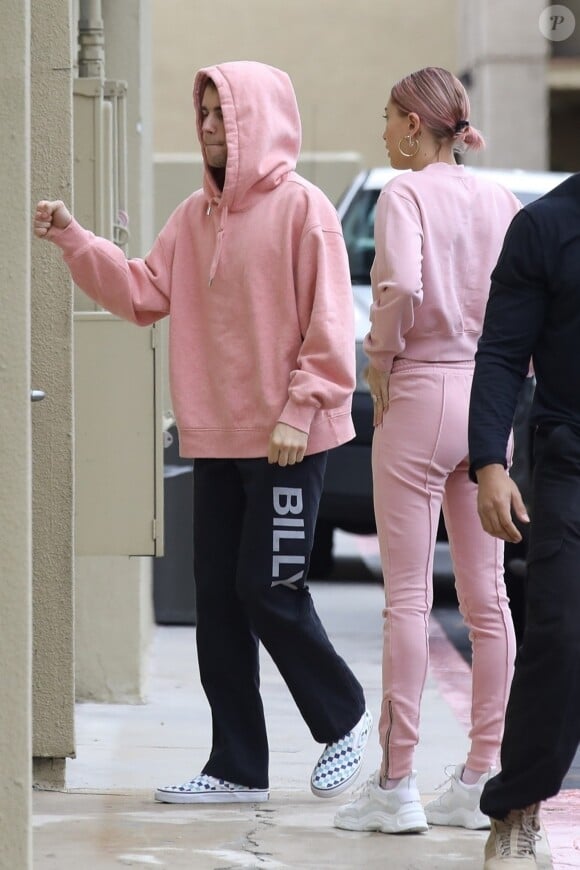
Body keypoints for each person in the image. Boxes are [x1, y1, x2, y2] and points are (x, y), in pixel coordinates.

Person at [34, 60, 371, 805]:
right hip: (217, 437)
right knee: (218, 599)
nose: (211, 127)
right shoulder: (194, 216)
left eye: (224, 115)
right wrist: (74, 241)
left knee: (269, 588)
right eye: (206, 115)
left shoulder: (304, 210)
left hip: (290, 441)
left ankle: (344, 716)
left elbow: (330, 325)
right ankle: (237, 766)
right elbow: (143, 292)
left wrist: (299, 408)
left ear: (258, 120)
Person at [334, 67, 521, 835]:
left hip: (419, 392)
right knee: (489, 598)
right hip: (487, 401)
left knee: (407, 598)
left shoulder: (405, 193)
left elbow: (402, 285)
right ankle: (483, 774)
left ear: (416, 125)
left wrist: (379, 354)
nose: (383, 131)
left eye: (388, 118)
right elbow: (522, 300)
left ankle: (397, 783)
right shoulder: (501, 198)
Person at [468, 172, 580, 867]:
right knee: (561, 633)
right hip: (571, 459)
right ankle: (516, 808)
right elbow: (504, 354)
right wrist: (489, 463)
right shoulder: (545, 227)